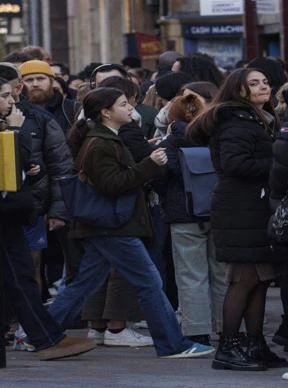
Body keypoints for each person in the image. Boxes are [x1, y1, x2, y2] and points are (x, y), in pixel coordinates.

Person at [48, 88, 213, 360]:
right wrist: (150, 164)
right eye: (123, 104)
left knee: (84, 284)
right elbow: (112, 184)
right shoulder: (101, 143)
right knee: (149, 282)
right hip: (113, 225)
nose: (130, 110)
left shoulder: (107, 139)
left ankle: (40, 333)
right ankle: (173, 344)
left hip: (107, 224)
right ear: (105, 112)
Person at [0, 78, 96, 363]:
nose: (11, 102)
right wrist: (16, 133)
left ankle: (45, 337)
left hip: (3, 212)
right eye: (4, 96)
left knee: (9, 276)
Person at [189, 68, 285, 371]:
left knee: (258, 279)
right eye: (253, 84)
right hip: (240, 208)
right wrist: (278, 163)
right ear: (238, 90)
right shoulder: (237, 121)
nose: (262, 88)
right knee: (243, 279)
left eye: (265, 83)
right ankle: (228, 347)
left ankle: (255, 344)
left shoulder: (257, 118)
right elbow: (235, 163)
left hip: (253, 208)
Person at [157, 92, 224, 346]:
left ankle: (197, 330)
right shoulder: (216, 139)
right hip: (217, 211)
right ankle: (227, 326)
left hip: (183, 213)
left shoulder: (169, 143)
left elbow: (160, 179)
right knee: (222, 272)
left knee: (190, 274)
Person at [19, 60, 78, 133]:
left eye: (40, 79)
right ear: (21, 84)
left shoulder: (72, 108)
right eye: (29, 80)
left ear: (51, 81)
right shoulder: (16, 111)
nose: (35, 84)